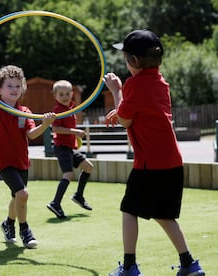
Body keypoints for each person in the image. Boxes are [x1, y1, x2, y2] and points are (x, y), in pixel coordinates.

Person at [104, 30, 204, 276]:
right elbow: (143, 110)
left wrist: (116, 90)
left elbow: (126, 120)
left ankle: (128, 267)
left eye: (126, 57)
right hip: (172, 163)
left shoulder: (133, 85)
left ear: (134, 61)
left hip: (150, 164)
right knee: (164, 215)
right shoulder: (160, 82)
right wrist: (123, 106)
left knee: (129, 210)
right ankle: (189, 264)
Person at [0, 65, 55, 248]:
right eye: (9, 86)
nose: (14, 89)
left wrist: (45, 124)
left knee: (17, 197)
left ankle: (8, 223)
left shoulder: (24, 110)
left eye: (17, 86)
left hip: (21, 160)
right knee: (22, 193)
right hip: (4, 161)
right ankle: (25, 230)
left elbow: (32, 134)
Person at [46, 80, 93, 219]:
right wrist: (75, 132)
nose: (65, 96)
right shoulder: (58, 111)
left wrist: (75, 136)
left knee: (88, 167)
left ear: (72, 94)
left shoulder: (71, 108)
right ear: (55, 96)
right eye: (61, 94)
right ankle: (55, 203)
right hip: (62, 148)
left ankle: (78, 196)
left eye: (67, 93)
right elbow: (55, 128)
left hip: (70, 148)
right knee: (68, 175)